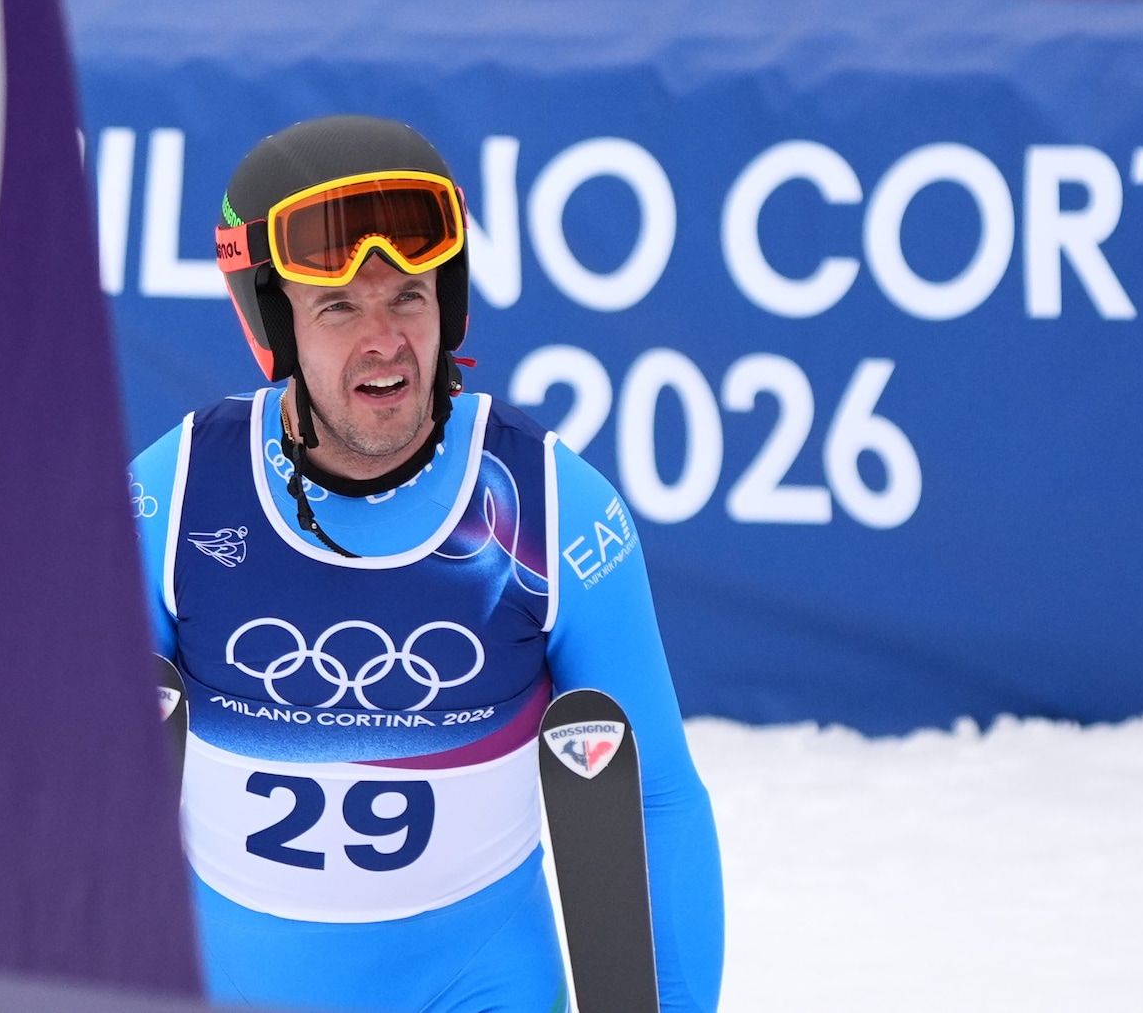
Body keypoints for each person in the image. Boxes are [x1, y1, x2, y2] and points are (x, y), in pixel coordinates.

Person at [128, 115, 723, 1012]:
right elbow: (55, 781)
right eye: (339, 307)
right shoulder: (170, 498)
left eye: (409, 296)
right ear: (275, 325)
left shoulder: (549, 507)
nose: (385, 339)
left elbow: (657, 800)